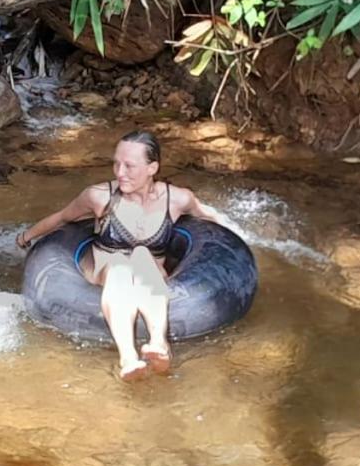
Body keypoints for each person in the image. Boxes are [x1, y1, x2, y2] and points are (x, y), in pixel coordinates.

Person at [16, 130, 231, 381]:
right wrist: (26, 237)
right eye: (116, 163)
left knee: (141, 256)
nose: (120, 172)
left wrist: (238, 241)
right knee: (120, 265)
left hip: (150, 270)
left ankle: (159, 345)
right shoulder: (99, 197)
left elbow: (209, 218)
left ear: (152, 167)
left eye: (129, 166)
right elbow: (62, 218)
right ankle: (128, 357)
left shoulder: (177, 199)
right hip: (106, 268)